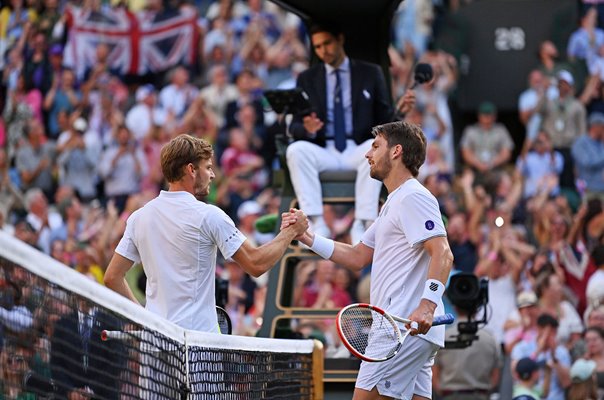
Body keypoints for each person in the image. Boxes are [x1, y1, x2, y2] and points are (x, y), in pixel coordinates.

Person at [283, 121, 453, 399]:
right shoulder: (393, 202)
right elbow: (357, 256)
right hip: (409, 331)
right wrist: (307, 237)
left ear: (396, 151)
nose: (367, 154)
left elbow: (443, 252)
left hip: (401, 329)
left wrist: (427, 305)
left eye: (376, 146)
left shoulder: (413, 196)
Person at [104, 134, 308, 333]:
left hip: (156, 346)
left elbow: (112, 277)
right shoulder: (209, 215)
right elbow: (256, 264)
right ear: (191, 170)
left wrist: (144, 320)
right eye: (208, 167)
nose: (212, 175)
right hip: (196, 346)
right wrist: (290, 232)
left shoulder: (139, 217)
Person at [286, 22, 395, 244]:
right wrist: (307, 129)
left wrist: (401, 111)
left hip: (358, 148)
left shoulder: (370, 73)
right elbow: (293, 127)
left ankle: (364, 221)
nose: (323, 50)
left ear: (340, 40)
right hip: (323, 148)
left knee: (375, 147)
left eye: (327, 43)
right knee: (296, 150)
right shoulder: (307, 78)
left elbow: (387, 119)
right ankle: (315, 221)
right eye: (317, 47)